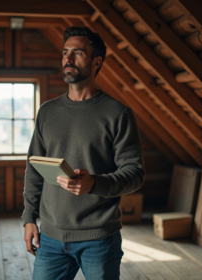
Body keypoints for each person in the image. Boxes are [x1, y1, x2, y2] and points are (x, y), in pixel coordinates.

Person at [22, 26, 145, 280]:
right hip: (51, 237)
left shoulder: (118, 114)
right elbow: (33, 168)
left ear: (96, 62)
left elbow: (135, 173)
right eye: (65, 52)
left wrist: (95, 184)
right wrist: (29, 218)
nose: (68, 59)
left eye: (77, 53)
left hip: (99, 239)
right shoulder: (47, 112)